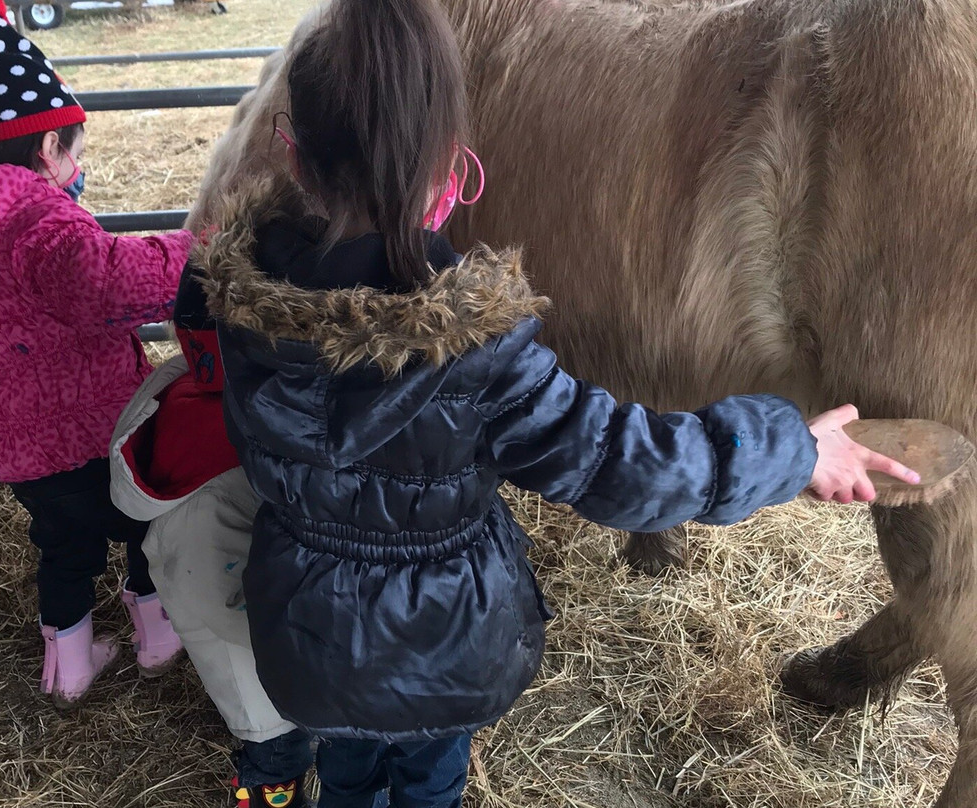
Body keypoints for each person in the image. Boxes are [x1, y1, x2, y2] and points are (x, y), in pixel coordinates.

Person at [189, 0, 920, 805]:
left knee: (349, 774)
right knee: (429, 783)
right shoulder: (482, 358)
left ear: (291, 155)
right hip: (443, 657)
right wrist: (794, 448)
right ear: (450, 175)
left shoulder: (241, 311)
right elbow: (623, 465)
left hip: (305, 648)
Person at [0, 0, 189, 707]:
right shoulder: (42, 224)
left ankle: (72, 663)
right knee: (145, 526)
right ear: (49, 151)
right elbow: (114, 283)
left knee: (62, 547)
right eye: (76, 152)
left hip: (19, 448)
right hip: (85, 437)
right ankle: (157, 639)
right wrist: (195, 251)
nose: (79, 169)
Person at [109, 268, 315, 808]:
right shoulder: (236, 456)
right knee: (277, 760)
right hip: (258, 665)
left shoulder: (192, 392)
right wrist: (308, 646)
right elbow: (223, 604)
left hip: (241, 611)